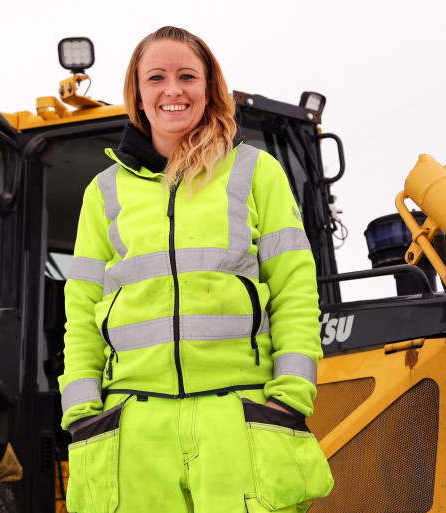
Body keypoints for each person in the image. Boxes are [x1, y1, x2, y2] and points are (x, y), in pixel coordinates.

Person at [58, 26, 333, 513]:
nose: (172, 90)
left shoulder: (255, 171)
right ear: (138, 94)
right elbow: (80, 312)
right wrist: (83, 414)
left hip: (238, 419)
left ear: (209, 89)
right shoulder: (103, 194)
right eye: (156, 78)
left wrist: (289, 399)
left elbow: (294, 290)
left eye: (187, 76)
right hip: (133, 429)